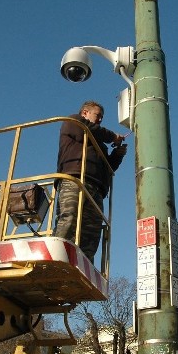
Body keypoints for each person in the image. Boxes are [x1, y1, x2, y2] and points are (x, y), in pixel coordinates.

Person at [53, 100, 127, 261]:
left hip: (97, 188)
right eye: (97, 115)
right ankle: (56, 258)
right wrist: (113, 136)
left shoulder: (100, 144)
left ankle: (84, 265)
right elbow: (93, 130)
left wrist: (118, 154)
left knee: (92, 233)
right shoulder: (73, 122)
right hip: (74, 179)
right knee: (69, 218)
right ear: (85, 113)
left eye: (102, 117)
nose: (100, 119)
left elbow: (108, 168)